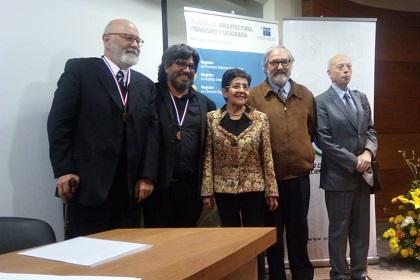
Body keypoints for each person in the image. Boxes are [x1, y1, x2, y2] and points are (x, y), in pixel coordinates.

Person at [47, 19, 158, 239]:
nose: (135, 44)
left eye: (138, 40)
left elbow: (151, 134)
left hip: (130, 190)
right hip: (88, 184)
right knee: (85, 253)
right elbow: (59, 122)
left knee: (126, 252)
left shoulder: (145, 84)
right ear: (106, 39)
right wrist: (63, 170)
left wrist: (147, 176)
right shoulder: (80, 70)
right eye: (128, 37)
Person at [201, 68, 278, 280]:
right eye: (236, 86)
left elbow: (267, 155)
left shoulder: (260, 118)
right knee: (230, 241)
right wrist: (207, 190)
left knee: (255, 240)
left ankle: (258, 276)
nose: (242, 90)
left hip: (254, 188)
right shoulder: (212, 119)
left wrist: (272, 190)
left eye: (245, 86)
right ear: (225, 92)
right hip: (223, 189)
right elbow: (208, 155)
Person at [248, 45, 316, 280]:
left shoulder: (305, 94)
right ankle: (276, 276)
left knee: (299, 233)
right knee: (273, 236)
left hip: (299, 178)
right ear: (265, 66)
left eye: (284, 61)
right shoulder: (253, 96)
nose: (280, 66)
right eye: (274, 62)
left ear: (291, 64)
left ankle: (303, 276)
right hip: (270, 182)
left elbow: (312, 130)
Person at [315, 54, 377, 280]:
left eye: (349, 66)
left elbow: (370, 130)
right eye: (340, 67)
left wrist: (368, 153)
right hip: (338, 176)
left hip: (363, 175)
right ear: (329, 73)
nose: (346, 70)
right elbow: (324, 140)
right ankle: (339, 274)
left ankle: (360, 273)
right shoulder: (320, 101)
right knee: (339, 231)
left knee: (361, 230)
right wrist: (355, 161)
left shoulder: (361, 97)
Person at [143, 44, 216, 227]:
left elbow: (209, 148)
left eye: (191, 66)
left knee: (186, 243)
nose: (187, 70)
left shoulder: (205, 103)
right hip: (157, 187)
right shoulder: (149, 95)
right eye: (181, 64)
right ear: (167, 67)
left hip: (191, 189)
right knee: (158, 243)